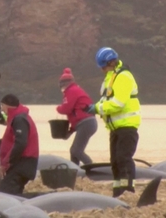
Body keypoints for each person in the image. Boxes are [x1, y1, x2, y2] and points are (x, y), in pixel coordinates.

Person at [86, 47, 141, 197]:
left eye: (103, 66)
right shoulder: (111, 77)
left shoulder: (123, 77)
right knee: (115, 162)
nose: (102, 69)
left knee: (124, 159)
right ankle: (118, 191)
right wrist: (94, 106)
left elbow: (118, 103)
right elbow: (106, 99)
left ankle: (128, 191)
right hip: (115, 128)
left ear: (111, 62)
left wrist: (97, 108)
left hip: (127, 126)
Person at [0, 94, 39, 195]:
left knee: (5, 192)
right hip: (20, 162)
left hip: (23, 162)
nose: (2, 109)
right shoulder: (17, 117)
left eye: (2, 106)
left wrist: (6, 163)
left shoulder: (20, 119)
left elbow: (20, 143)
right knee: (9, 190)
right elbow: (12, 140)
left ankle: (42, 199)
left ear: (7, 106)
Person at [55, 68, 97, 165]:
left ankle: (90, 166)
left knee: (76, 150)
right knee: (74, 151)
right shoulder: (75, 90)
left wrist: (58, 108)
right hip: (86, 123)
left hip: (86, 123)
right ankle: (76, 172)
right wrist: (70, 131)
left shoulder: (71, 91)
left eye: (63, 83)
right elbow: (76, 115)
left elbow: (66, 109)